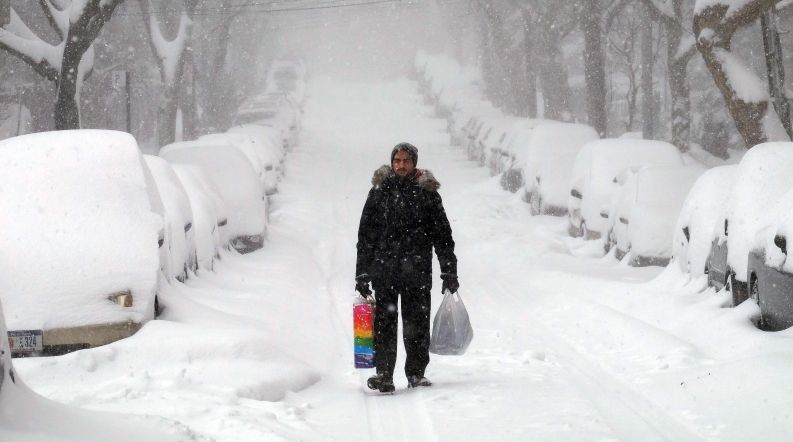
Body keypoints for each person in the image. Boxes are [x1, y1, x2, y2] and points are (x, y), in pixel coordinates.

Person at [355, 142, 459, 393]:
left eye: (406, 161)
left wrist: (449, 270)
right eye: (397, 161)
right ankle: (384, 374)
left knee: (417, 325)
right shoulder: (379, 191)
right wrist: (362, 273)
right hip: (385, 271)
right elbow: (366, 235)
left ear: (414, 163)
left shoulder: (427, 193)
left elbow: (442, 235)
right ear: (392, 163)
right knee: (384, 326)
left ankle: (416, 373)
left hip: (417, 273)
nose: (401, 165)